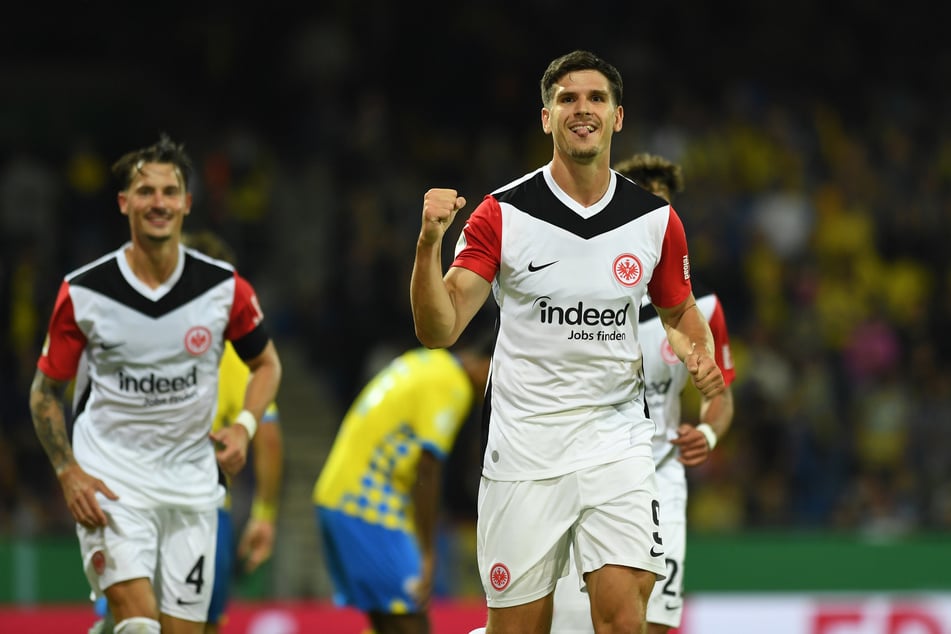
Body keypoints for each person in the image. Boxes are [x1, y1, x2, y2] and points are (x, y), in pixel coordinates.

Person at [411, 49, 725, 634]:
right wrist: (429, 244)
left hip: (617, 443)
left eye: (596, 98)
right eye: (568, 98)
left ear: (618, 117)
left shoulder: (654, 220)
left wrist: (697, 352)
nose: (583, 109)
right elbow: (440, 327)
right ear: (546, 118)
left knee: (622, 617)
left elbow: (679, 310)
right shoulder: (499, 214)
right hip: (526, 449)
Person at [30, 134, 282, 634]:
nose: (159, 203)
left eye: (170, 192)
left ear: (188, 203)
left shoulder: (224, 289)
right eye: (145, 192)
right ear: (124, 202)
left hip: (191, 485)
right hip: (112, 479)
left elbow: (267, 364)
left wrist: (245, 427)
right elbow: (44, 393)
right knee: (140, 624)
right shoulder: (83, 293)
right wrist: (67, 471)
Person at [550, 153, 737, 633]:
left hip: (661, 481)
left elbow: (720, 398)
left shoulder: (702, 312)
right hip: (588, 475)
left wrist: (710, 434)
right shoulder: (588, 302)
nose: (656, 219)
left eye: (665, 208)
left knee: (651, 623)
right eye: (645, 206)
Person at [87, 230, 286, 634]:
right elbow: (268, 435)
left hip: (141, 504)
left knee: (130, 619)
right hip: (201, 514)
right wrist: (264, 515)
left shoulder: (136, 340)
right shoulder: (230, 354)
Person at [313, 336, 493, 634]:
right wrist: (428, 550)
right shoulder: (452, 384)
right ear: (485, 363)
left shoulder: (426, 361)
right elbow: (428, 466)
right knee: (411, 620)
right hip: (365, 504)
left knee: (387, 621)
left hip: (338, 494)